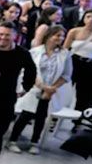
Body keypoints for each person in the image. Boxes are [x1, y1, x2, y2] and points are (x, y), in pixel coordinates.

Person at [8, 25, 71, 155]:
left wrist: (51, 88)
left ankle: (34, 142)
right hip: (34, 87)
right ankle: (12, 140)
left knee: (41, 117)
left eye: (62, 36)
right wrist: (42, 86)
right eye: (57, 35)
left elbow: (66, 75)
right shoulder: (35, 51)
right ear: (49, 36)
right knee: (26, 115)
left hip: (50, 91)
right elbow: (29, 70)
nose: (61, 38)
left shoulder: (65, 54)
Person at [0, 22, 37, 164]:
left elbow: (31, 71)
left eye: (7, 35)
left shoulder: (22, 53)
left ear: (15, 36)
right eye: (0, 34)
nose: (3, 37)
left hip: (5, 96)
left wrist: (25, 88)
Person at [62, 10, 92, 111]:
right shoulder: (74, 31)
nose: (91, 19)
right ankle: (57, 114)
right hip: (74, 61)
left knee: (87, 94)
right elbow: (65, 49)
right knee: (65, 90)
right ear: (83, 18)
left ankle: (82, 115)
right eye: (88, 17)